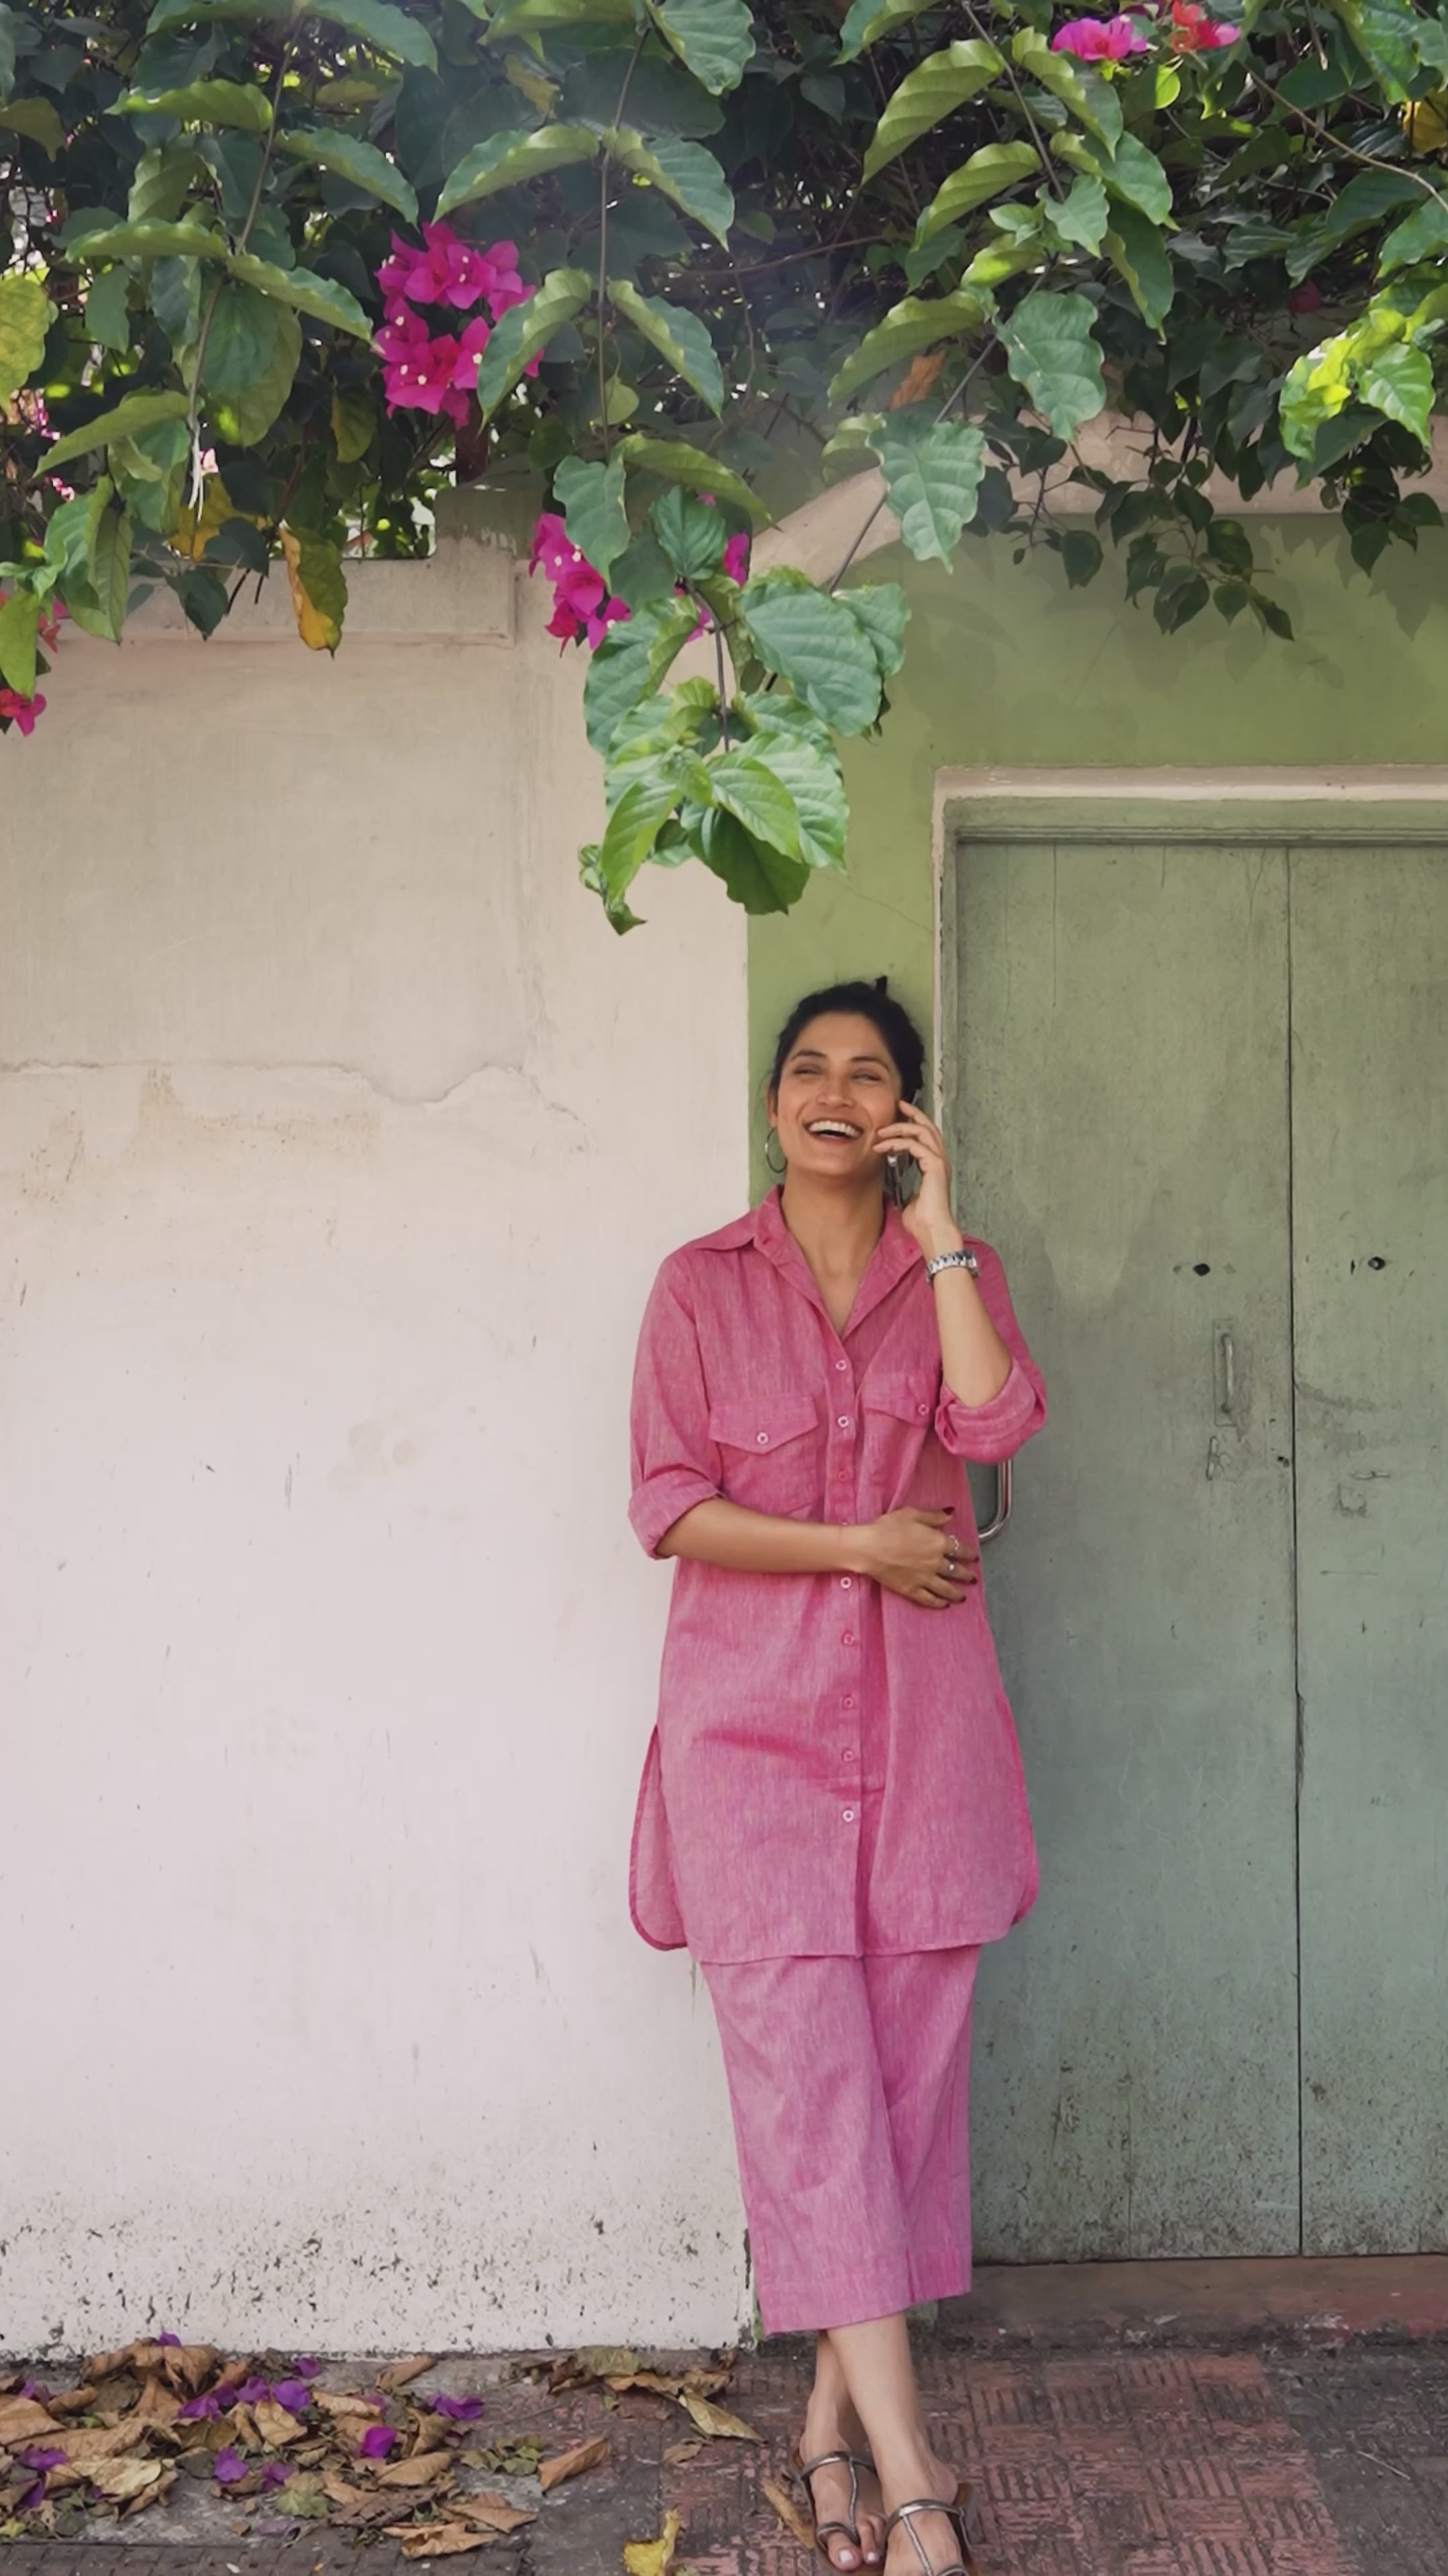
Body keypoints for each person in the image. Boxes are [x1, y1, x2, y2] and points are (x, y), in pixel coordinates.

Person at [627, 980, 1045, 2576]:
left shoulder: (957, 1271)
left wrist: (938, 1233)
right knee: (807, 2102)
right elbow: (666, 1504)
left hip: (926, 1746)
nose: (832, 1090)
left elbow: (993, 1416)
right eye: (807, 1067)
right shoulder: (694, 1286)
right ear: (771, 1104)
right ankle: (912, 2469)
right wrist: (856, 1550)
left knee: (891, 2102)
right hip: (747, 1742)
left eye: (868, 1075)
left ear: (903, 1115)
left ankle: (822, 2434)